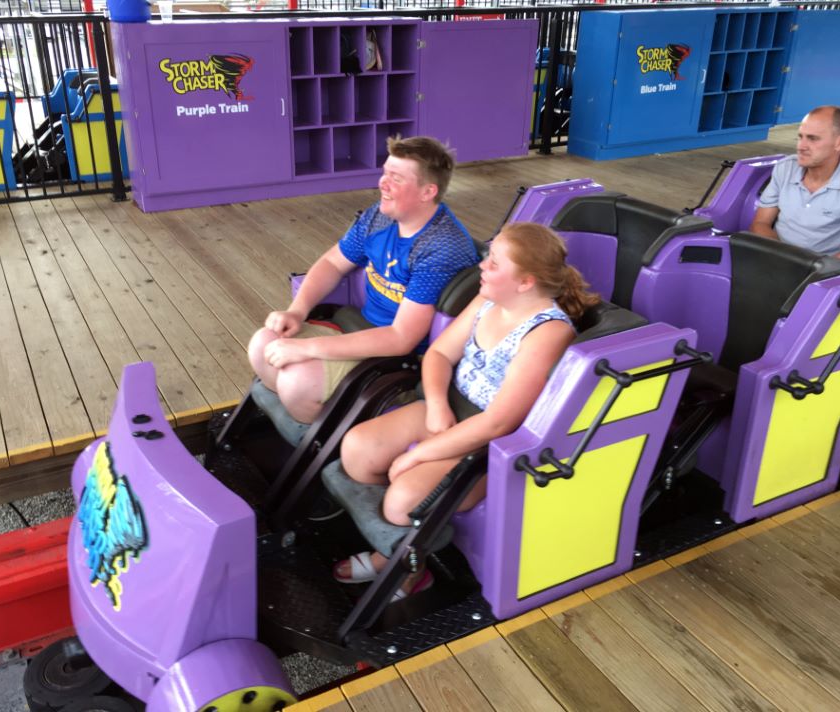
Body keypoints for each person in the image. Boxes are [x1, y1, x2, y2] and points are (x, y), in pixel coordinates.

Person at [331, 222, 600, 597]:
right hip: (454, 408)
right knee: (356, 449)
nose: (482, 267)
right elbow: (440, 352)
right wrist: (437, 405)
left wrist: (418, 455)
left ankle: (406, 566)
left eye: (494, 263)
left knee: (403, 500)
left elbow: (499, 422)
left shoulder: (548, 332)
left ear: (525, 282)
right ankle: (403, 542)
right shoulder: (488, 298)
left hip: (491, 445)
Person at [248, 136, 479, 425]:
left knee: (297, 381)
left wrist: (304, 348)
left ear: (427, 191)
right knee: (263, 344)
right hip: (356, 326)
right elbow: (332, 262)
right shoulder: (379, 218)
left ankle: (327, 444)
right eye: (385, 172)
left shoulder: (441, 248)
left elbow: (400, 339)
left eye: (395, 178)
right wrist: (298, 310)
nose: (383, 183)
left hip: (399, 359)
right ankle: (306, 430)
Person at [749, 105, 840, 259]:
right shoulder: (785, 168)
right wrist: (785, 259)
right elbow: (760, 223)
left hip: (824, 272)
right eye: (800, 137)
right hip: (778, 257)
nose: (801, 146)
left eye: (813, 138)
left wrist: (821, 271)